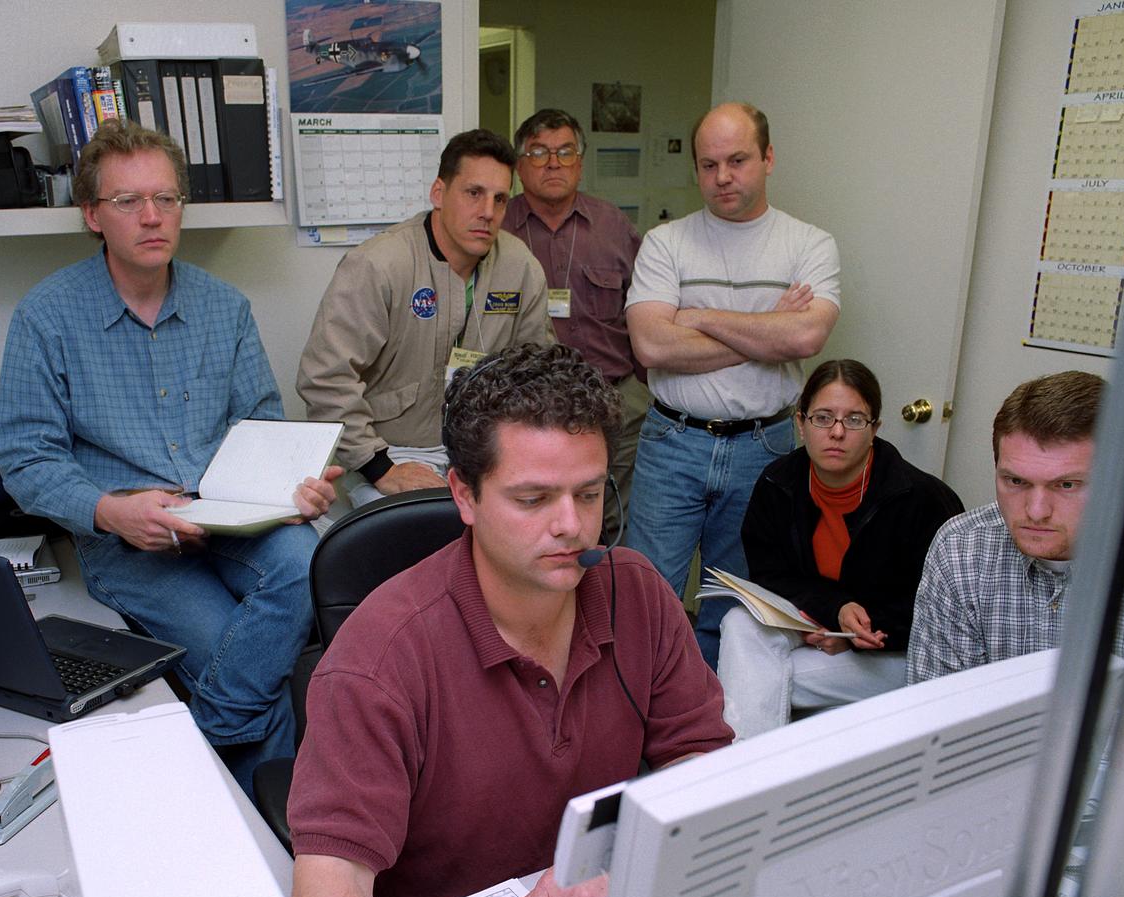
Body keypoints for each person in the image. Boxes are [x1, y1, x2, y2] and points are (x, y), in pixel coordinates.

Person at [288, 343, 733, 897]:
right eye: (533, 499)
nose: (572, 525)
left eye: (588, 494)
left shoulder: (635, 592)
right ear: (463, 494)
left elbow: (703, 761)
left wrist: (622, 862)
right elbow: (333, 882)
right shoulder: (379, 658)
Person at [0, 120, 340, 797]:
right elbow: (26, 459)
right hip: (130, 538)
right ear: (93, 214)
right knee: (227, 651)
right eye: (128, 201)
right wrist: (110, 511)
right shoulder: (47, 317)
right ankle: (274, 818)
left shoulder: (224, 307)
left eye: (167, 198)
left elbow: (260, 424)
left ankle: (200, 755)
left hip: (232, 515)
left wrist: (292, 488)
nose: (152, 217)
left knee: (310, 565)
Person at [623, 101, 841, 667]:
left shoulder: (809, 244)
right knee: (646, 600)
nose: (722, 177)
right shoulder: (665, 242)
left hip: (762, 449)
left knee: (739, 607)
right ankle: (648, 734)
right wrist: (768, 323)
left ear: (768, 158)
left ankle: (717, 733)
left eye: (738, 160)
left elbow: (806, 338)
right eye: (708, 164)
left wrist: (696, 316)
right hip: (672, 441)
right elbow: (650, 346)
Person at [297, 128, 552, 511]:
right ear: (439, 193)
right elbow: (325, 380)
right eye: (473, 193)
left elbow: (538, 376)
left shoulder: (520, 268)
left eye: (500, 199)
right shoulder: (379, 265)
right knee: (422, 535)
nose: (487, 211)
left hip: (480, 454)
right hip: (385, 453)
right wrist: (380, 467)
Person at [718, 360, 963, 738]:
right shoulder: (777, 483)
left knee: (758, 679)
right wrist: (834, 610)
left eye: (853, 420)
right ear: (801, 424)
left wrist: (859, 631)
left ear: (875, 430)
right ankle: (753, 773)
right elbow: (770, 576)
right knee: (738, 623)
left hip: (891, 651)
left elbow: (947, 613)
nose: (836, 432)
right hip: (812, 622)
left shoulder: (924, 500)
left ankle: (741, 778)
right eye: (822, 418)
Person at [906, 370, 1124, 684]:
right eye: (1016, 481)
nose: (1036, 511)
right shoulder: (962, 549)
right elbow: (937, 710)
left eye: (1066, 484)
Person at [502, 108, 647, 539]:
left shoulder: (613, 226)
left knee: (612, 518)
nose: (553, 163)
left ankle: (603, 603)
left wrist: (642, 392)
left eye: (565, 152)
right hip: (524, 412)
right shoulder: (497, 229)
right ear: (519, 165)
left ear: (580, 162)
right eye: (540, 152)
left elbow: (643, 310)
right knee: (538, 523)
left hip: (616, 402)